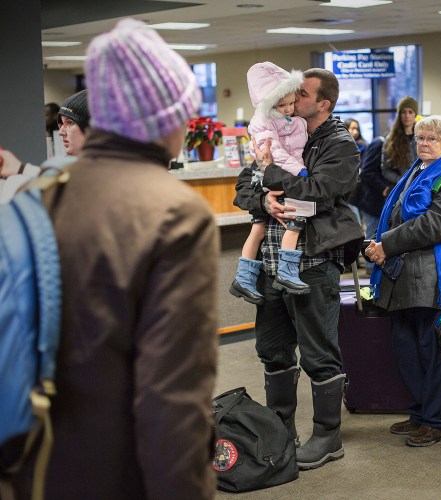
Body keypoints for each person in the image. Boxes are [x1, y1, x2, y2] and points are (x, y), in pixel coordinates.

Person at [9, 19, 218, 499]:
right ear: (165, 118)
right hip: (118, 469)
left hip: (35, 458)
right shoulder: (173, 212)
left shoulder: (44, 191)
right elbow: (172, 396)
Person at [233, 68, 362, 470]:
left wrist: (270, 176)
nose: (291, 98)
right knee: (272, 352)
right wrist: (263, 202)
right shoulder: (277, 127)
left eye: (301, 93)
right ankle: (280, 429)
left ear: (322, 103)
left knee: (319, 353)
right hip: (271, 263)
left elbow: (318, 193)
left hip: (312, 263)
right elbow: (243, 188)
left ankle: (327, 436)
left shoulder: (341, 146)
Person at [366, 115, 441, 446]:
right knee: (406, 350)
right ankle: (419, 412)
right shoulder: (416, 172)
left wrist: (388, 244)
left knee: (431, 351)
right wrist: (377, 242)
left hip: (431, 279)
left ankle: (437, 421)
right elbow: (394, 213)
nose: (423, 144)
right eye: (420, 138)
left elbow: (433, 225)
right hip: (401, 277)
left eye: (431, 139)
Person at [230, 62, 310, 304]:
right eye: (282, 105)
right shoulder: (263, 121)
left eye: (291, 103)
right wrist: (300, 171)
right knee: (295, 219)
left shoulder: (287, 120)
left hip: (275, 174)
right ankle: (287, 271)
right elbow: (272, 151)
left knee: (260, 226)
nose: (288, 109)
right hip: (276, 175)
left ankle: (244, 278)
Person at [381, 96, 418, 191]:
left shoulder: (422, 137)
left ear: (415, 115)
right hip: (399, 188)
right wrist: (400, 180)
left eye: (410, 112)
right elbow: (385, 169)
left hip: (420, 186)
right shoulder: (391, 139)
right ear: (399, 115)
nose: (407, 115)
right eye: (403, 112)